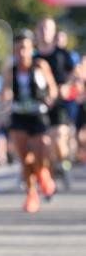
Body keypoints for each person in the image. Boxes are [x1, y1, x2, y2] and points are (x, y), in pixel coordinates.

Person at [5, 30, 57, 213]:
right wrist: (4, 98)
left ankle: (44, 174)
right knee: (25, 159)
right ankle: (31, 194)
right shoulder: (10, 70)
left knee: (41, 156)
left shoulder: (40, 65)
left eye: (25, 48)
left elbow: (52, 88)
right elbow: (4, 91)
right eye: (18, 49)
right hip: (19, 116)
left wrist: (50, 98)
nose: (22, 53)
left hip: (37, 115)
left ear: (31, 48)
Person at [35, 18, 76, 188]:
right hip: (40, 103)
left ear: (53, 32)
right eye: (42, 28)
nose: (44, 31)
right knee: (46, 143)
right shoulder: (33, 56)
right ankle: (50, 178)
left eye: (48, 28)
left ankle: (64, 164)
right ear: (37, 31)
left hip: (60, 102)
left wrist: (67, 85)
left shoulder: (62, 54)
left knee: (59, 139)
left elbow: (74, 72)